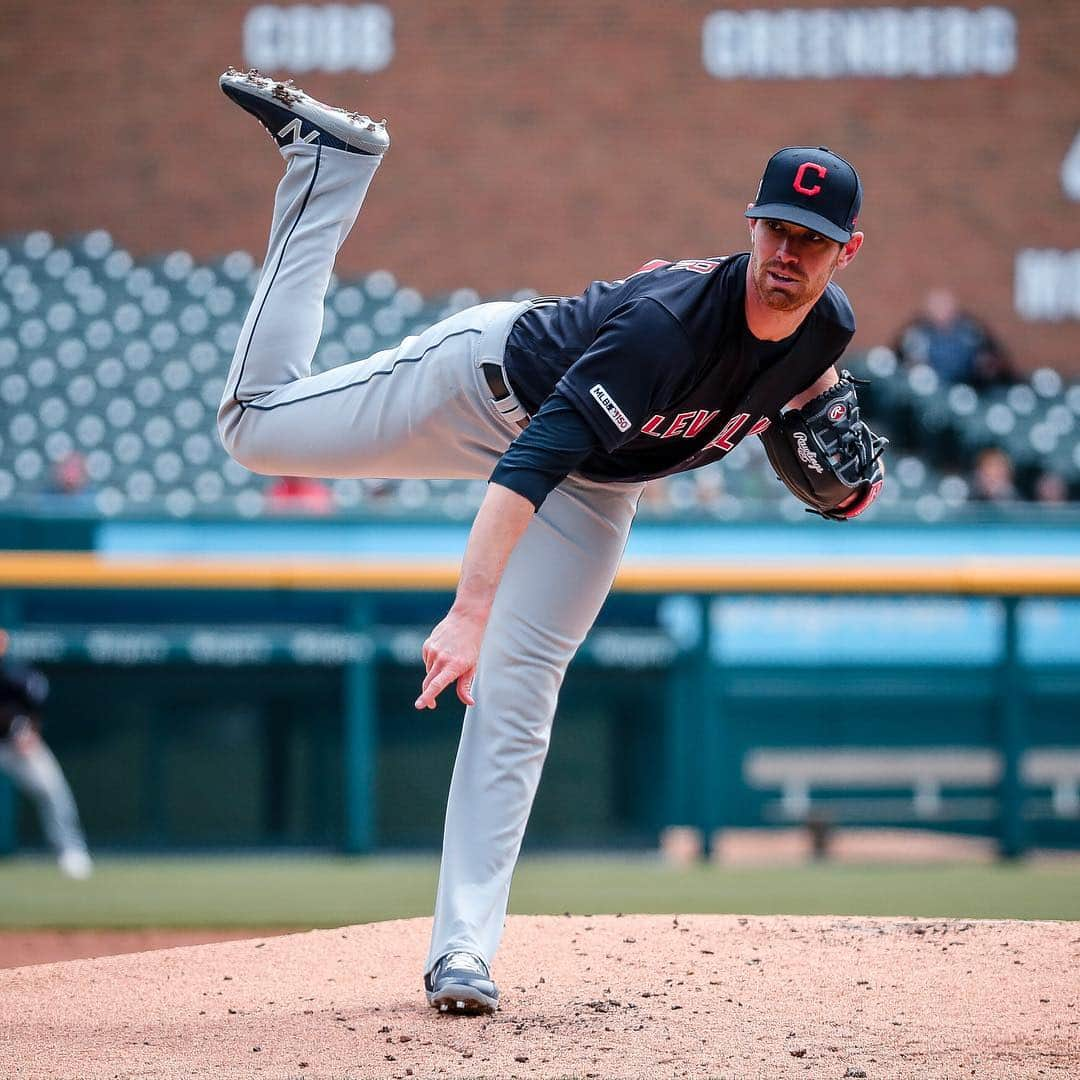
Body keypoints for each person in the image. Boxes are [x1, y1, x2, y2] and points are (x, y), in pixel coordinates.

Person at [216, 69, 884, 1014]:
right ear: (752, 226)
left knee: (523, 702)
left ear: (846, 251)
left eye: (813, 240)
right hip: (485, 392)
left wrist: (844, 468)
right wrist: (468, 610)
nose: (790, 252)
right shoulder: (663, 333)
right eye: (778, 228)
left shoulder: (828, 332)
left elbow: (796, 392)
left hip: (603, 485)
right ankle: (329, 169)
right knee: (252, 427)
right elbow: (527, 464)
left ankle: (462, 955)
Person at [0, 630, 93, 879]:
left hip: (15, 744)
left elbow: (36, 708)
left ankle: (71, 850)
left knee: (52, 790)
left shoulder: (16, 675)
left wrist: (30, 733)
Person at [894, 287, 1015, 386]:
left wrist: (986, 365)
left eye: (946, 307)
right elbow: (897, 363)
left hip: (969, 389)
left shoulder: (971, 331)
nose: (942, 313)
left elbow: (995, 358)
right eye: (937, 308)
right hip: (927, 391)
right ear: (928, 311)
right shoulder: (915, 333)